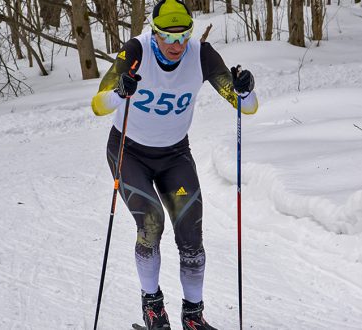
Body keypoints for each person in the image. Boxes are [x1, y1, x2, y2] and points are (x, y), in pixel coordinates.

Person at [91, 0, 258, 328]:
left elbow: (245, 107)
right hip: (129, 152)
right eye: (168, 37)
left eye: (184, 37)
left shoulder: (201, 54)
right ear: (154, 33)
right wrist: (119, 93)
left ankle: (193, 316)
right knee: (151, 223)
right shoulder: (136, 51)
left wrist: (245, 90)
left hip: (174, 154)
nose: (177, 46)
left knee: (191, 233)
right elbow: (98, 104)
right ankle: (153, 308)